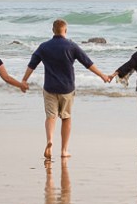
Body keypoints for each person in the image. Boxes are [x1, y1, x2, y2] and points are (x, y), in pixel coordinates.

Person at [22, 19, 112, 159]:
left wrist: (24, 80)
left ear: (53, 30)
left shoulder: (44, 47)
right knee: (66, 118)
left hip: (50, 87)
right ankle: (64, 150)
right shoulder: (71, 46)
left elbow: (32, 64)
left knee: (50, 116)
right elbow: (87, 63)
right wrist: (102, 75)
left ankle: (50, 140)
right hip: (67, 88)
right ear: (65, 30)